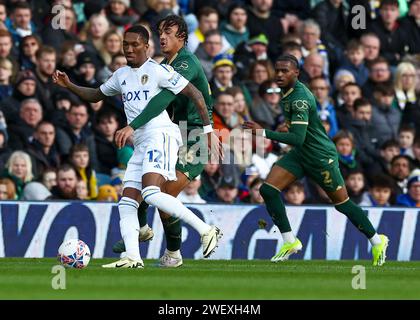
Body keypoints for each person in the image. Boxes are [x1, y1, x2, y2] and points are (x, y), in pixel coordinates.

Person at [53, 24, 221, 269]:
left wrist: (207, 130)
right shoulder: (121, 75)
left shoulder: (159, 71)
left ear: (146, 46)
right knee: (127, 201)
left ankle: (206, 230)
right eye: (125, 45)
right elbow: (96, 95)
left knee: (151, 193)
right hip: (141, 142)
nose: (129, 49)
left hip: (161, 135)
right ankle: (133, 257)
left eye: (134, 45)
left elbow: (195, 93)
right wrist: (70, 85)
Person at [243, 54, 389, 266]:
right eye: (277, 70)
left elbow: (296, 138)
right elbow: (300, 132)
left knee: (342, 204)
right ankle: (290, 241)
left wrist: (263, 132)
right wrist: (290, 125)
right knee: (268, 190)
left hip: (320, 158)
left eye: (285, 71)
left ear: (297, 73)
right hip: (301, 153)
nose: (280, 74)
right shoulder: (288, 91)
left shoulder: (299, 98)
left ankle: (377, 241)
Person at [111, 16, 223, 268]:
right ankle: (143, 229)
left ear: (182, 37)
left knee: (162, 191)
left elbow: (162, 99)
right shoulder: (164, 64)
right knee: (149, 184)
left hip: (193, 135)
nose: (162, 37)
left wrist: (208, 130)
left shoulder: (185, 63)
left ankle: (173, 249)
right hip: (173, 133)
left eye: (169, 33)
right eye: (160, 32)